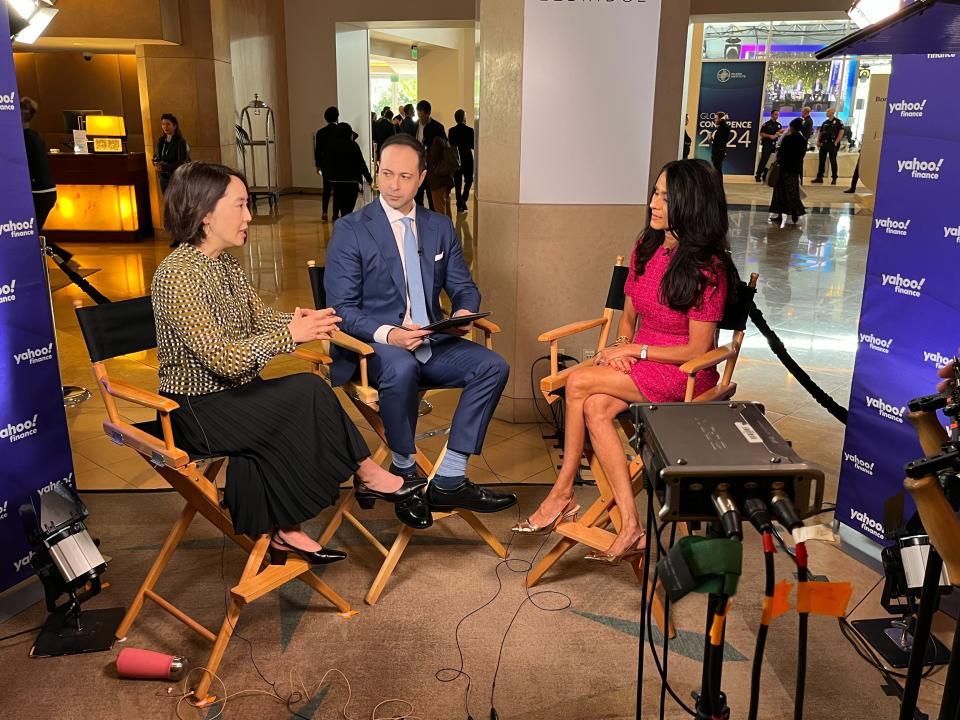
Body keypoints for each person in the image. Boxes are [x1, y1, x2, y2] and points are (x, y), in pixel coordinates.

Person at [151, 162, 422, 563]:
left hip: (234, 396)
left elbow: (259, 319)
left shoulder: (222, 263)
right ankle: (363, 474)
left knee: (295, 402)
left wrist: (304, 320)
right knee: (306, 391)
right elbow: (223, 358)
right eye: (240, 205)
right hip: (194, 409)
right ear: (205, 213)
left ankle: (287, 530)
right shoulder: (177, 275)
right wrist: (288, 336)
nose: (249, 215)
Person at [513, 159, 736, 562]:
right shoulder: (646, 247)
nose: (653, 203)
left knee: (578, 384)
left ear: (690, 203)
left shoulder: (709, 268)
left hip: (684, 373)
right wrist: (620, 346)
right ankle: (630, 525)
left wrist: (634, 351)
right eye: (655, 192)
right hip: (637, 362)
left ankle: (563, 492)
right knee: (596, 407)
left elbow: (699, 351)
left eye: (666, 197)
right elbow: (629, 317)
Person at [325, 133, 516, 527]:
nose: (394, 185)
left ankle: (449, 476)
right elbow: (342, 309)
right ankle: (405, 472)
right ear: (377, 171)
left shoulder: (439, 227)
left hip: (432, 341)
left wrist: (463, 311)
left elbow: (463, 285)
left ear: (423, 178)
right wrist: (390, 334)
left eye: (405, 176)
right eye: (386, 173)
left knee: (493, 366)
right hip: (375, 348)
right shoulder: (352, 229)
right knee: (401, 368)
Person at [20, 96, 76, 268]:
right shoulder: (34, 136)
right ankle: (62, 258)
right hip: (45, 191)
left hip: (38, 192)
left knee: (30, 232)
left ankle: (62, 258)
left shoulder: (25, 138)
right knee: (31, 231)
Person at [327, 122, 373, 220]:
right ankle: (346, 221)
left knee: (341, 203)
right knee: (348, 206)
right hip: (351, 181)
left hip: (336, 181)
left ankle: (344, 221)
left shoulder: (331, 146)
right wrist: (368, 178)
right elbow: (361, 163)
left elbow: (327, 162)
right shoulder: (353, 145)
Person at [768, 118, 808, 226]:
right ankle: (795, 212)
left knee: (780, 192)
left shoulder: (787, 139)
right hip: (794, 170)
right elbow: (801, 155)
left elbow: (780, 153)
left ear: (792, 127)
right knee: (793, 192)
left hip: (784, 169)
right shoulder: (803, 140)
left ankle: (780, 214)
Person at [414, 100, 446, 209]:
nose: (421, 119)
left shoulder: (438, 127)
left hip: (433, 169)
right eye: (418, 115)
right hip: (417, 167)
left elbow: (443, 147)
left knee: (433, 199)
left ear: (428, 113)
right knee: (417, 197)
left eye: (423, 116)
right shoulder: (413, 126)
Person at [153, 113, 190, 193]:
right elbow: (156, 155)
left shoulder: (180, 141)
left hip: (176, 178)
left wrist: (163, 167)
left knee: (177, 202)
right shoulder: (161, 140)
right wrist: (155, 162)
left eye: (168, 124)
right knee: (167, 202)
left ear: (175, 126)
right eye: (163, 124)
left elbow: (181, 162)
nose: (165, 127)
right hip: (164, 178)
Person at [314, 106, 339, 222]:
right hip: (338, 164)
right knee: (337, 189)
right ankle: (335, 214)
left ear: (325, 118)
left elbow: (317, 150)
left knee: (326, 189)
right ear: (337, 117)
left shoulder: (320, 132)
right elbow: (354, 136)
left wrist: (318, 165)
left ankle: (324, 211)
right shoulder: (340, 130)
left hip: (326, 164)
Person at [448, 109, 474, 214]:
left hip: (456, 159)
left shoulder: (451, 131)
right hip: (467, 158)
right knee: (469, 180)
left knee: (458, 183)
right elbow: (473, 145)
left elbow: (450, 145)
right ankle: (464, 198)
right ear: (463, 118)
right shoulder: (470, 130)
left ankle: (460, 205)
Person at [812, 108, 844, 184]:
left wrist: (836, 141)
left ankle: (834, 178)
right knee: (821, 160)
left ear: (832, 112)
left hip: (832, 143)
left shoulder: (838, 122)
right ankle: (819, 177)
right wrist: (818, 141)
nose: (826, 112)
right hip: (824, 143)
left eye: (828, 111)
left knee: (833, 161)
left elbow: (841, 132)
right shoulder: (825, 122)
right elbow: (821, 132)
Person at [755, 110, 782, 182]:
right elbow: (762, 133)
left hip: (774, 145)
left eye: (777, 115)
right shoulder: (766, 124)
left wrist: (779, 134)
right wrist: (770, 136)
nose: (777, 116)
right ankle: (758, 175)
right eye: (776, 114)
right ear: (772, 115)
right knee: (764, 160)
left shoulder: (778, 125)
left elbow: (779, 133)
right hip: (767, 144)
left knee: (771, 161)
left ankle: (766, 175)